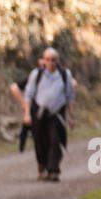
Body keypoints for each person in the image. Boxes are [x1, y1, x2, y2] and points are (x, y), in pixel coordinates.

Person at [23, 47, 75, 182]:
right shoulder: (36, 74)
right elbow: (28, 95)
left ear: (57, 61)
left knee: (55, 140)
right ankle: (43, 166)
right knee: (40, 142)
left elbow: (70, 96)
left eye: (53, 60)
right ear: (43, 61)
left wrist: (71, 116)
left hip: (56, 114)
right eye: (48, 60)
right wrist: (27, 114)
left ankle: (54, 170)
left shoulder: (64, 75)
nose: (51, 63)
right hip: (40, 114)